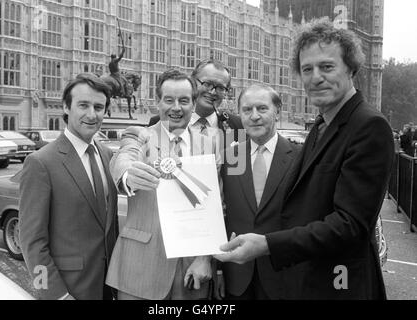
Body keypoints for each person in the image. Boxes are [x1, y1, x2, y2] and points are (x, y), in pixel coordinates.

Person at [215, 18, 394, 300]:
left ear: (352, 68)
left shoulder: (368, 126)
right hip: (304, 278)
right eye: (307, 69)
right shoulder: (322, 126)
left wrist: (267, 244)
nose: (315, 77)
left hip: (340, 283)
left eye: (327, 66)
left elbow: (349, 225)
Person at [106, 69, 219, 300]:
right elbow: (123, 159)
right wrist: (129, 175)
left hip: (191, 272)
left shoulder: (211, 145)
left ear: (194, 103)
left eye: (184, 100)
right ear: (158, 102)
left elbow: (216, 207)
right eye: (169, 100)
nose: (176, 107)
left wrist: (205, 258)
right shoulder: (139, 135)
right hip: (140, 267)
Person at [19, 73, 119, 300]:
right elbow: (31, 243)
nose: (92, 114)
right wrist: (54, 295)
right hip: (68, 290)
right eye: (83, 105)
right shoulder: (40, 162)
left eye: (99, 107)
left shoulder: (106, 154)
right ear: (66, 106)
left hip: (108, 286)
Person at [219, 84, 300, 300]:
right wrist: (218, 268)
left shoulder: (301, 158)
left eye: (262, 109)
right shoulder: (228, 158)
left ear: (277, 111)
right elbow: (219, 213)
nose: (254, 116)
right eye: (247, 110)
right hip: (236, 277)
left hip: (283, 275)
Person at [148, 59, 243, 139]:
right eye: (207, 84)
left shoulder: (238, 126)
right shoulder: (161, 122)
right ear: (193, 82)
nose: (212, 92)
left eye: (220, 88)